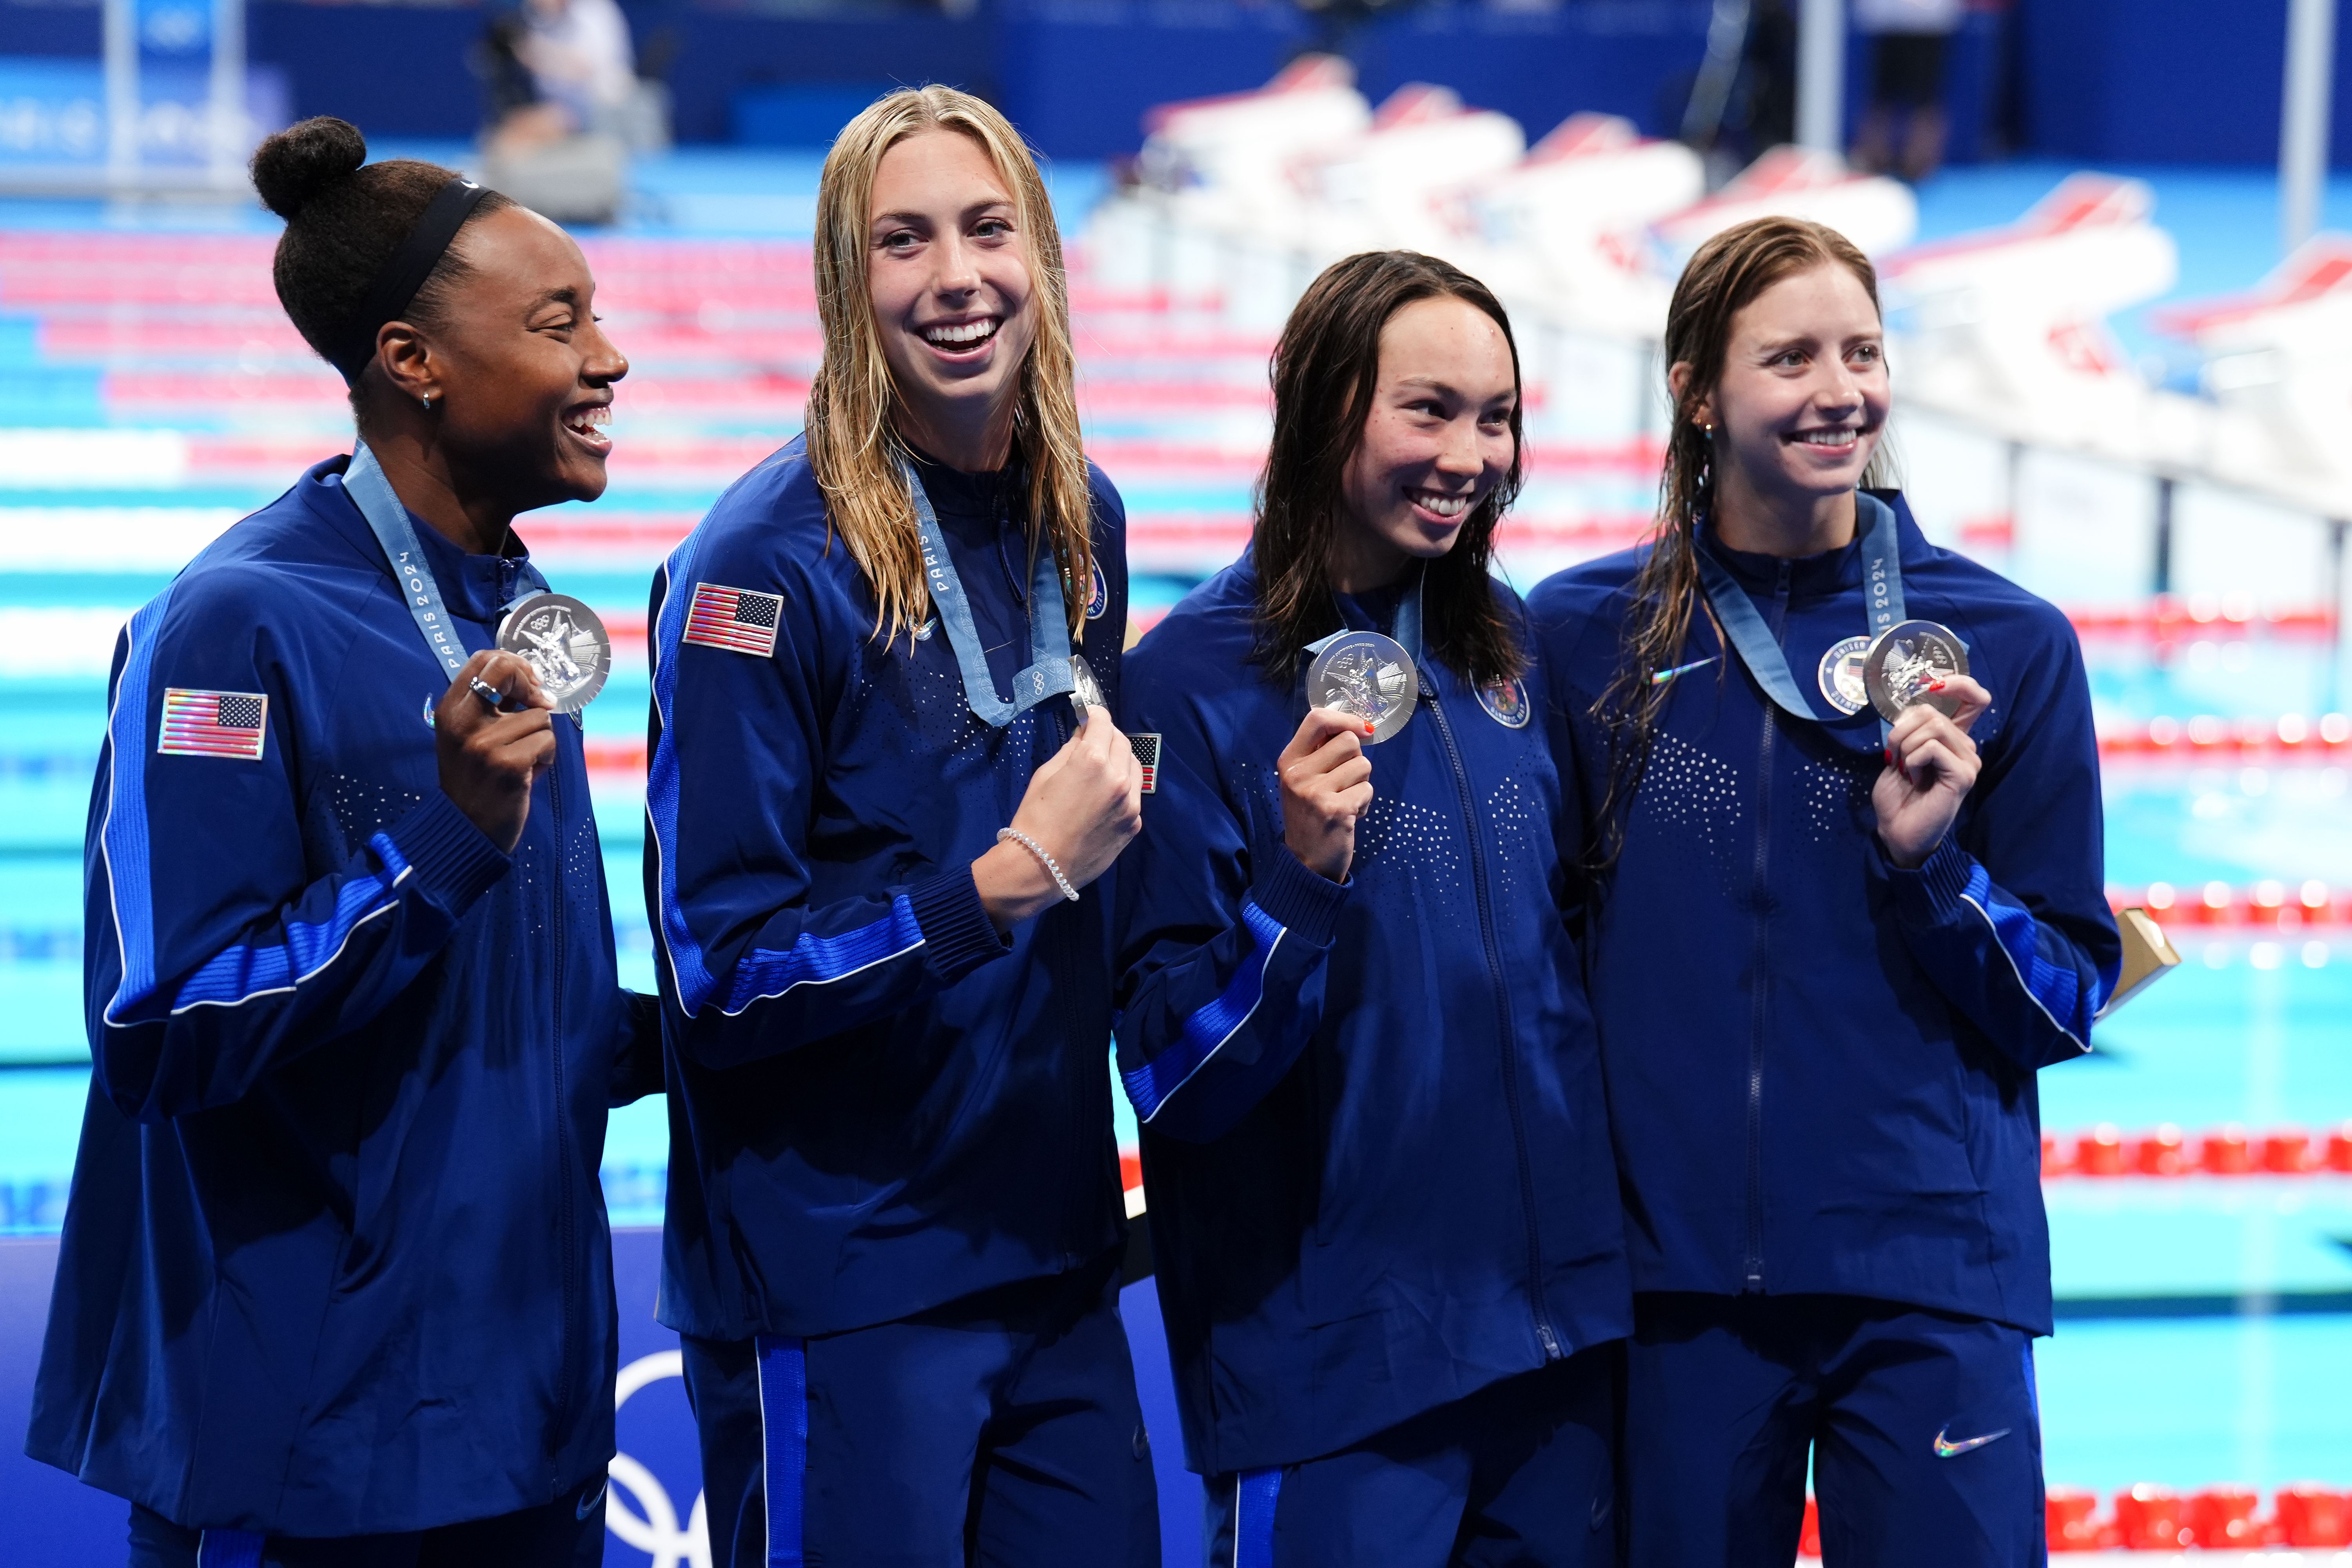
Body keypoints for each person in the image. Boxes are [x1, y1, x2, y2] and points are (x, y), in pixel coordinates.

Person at [27, 116, 656, 1566]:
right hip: (312, 1449)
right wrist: (437, 847)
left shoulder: (501, 599)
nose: (608, 359)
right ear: (411, 362)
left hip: (527, 1420)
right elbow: (161, 1023)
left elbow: (485, 1008)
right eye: (559, 322)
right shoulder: (234, 625)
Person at [1528, 216, 2119, 1565]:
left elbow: (2068, 999)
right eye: (1789, 357)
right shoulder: (1585, 639)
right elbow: (1536, 959)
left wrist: (1937, 869)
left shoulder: (2009, 646)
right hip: (1671, 1290)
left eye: (1862, 351)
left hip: (1927, 1285)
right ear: (1696, 389)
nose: (1838, 389)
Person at [644, 85, 1158, 1566]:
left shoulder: (1084, 518)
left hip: (1053, 1250)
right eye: (903, 241)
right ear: (841, 283)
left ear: (1042, 256)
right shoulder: (759, 571)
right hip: (840, 1272)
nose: (957, 276)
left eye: (988, 229)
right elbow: (721, 973)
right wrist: (991, 888)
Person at [1114, 250, 1631, 1566]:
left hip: (1553, 1350)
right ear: (1318, 405)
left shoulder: (1507, 657)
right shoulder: (1188, 690)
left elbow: (1575, 964)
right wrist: (1295, 883)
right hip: (1338, 1373)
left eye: (1497, 415)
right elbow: (1172, 1078)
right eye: (1429, 409)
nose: (1470, 454)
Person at [1851, 0, 1965, 182]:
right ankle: (1872, 163)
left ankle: (1920, 166)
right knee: (1880, 99)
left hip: (1929, 21)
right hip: (1885, 20)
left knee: (1926, 100)